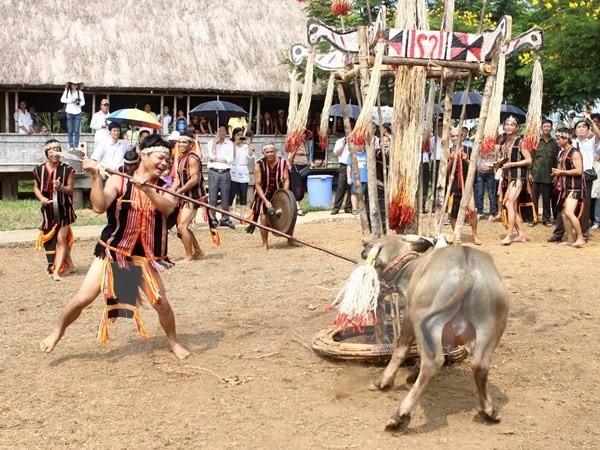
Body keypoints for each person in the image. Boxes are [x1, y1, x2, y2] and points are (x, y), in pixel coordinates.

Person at [40, 134, 190, 360]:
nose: (165, 163)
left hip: (143, 255)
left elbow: (168, 208)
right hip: (114, 251)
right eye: (161, 157)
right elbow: (99, 207)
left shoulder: (165, 186)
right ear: (143, 155)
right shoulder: (119, 180)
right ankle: (57, 330)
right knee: (83, 298)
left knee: (161, 302)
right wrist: (95, 176)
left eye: (168, 160)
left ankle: (173, 341)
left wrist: (148, 189)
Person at [548, 116, 600, 242]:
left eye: (584, 127)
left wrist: (590, 121)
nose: (581, 129)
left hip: (585, 177)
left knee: (585, 207)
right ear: (574, 131)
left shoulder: (591, 142)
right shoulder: (570, 144)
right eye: (578, 127)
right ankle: (559, 233)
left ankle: (584, 234)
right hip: (568, 178)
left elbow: (599, 134)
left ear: (588, 130)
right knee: (563, 207)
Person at [33, 139, 77, 281]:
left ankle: (56, 271)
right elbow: (35, 187)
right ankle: (70, 265)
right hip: (48, 210)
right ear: (47, 152)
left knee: (61, 240)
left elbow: (70, 190)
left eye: (58, 150)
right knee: (54, 239)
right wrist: (41, 198)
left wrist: (60, 187)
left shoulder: (68, 170)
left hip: (64, 209)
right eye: (52, 151)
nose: (55, 154)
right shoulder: (39, 170)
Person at [247, 143, 291, 250]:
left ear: (275, 151)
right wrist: (265, 201)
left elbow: (286, 179)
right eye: (267, 152)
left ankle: (290, 239)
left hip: (278, 192)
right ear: (263, 153)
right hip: (263, 193)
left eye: (272, 151)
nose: (270, 154)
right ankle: (265, 243)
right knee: (264, 218)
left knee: (289, 215)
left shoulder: (282, 162)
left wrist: (284, 194)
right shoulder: (258, 165)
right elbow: (257, 184)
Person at [498, 116, 533, 245]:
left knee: (508, 204)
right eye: (507, 124)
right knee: (511, 205)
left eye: (512, 125)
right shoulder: (503, 142)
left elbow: (529, 160)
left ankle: (509, 235)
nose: (509, 127)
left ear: (517, 128)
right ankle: (521, 235)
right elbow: (502, 158)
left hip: (518, 178)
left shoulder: (521, 142)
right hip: (507, 178)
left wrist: (512, 164)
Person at [172, 132, 206, 262]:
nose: (181, 144)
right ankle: (198, 250)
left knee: (182, 226)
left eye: (184, 142)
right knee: (182, 226)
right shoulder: (181, 158)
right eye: (179, 142)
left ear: (191, 144)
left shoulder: (192, 158)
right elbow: (178, 179)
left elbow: (195, 179)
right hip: (185, 196)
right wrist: (170, 191)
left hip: (194, 197)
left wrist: (179, 192)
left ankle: (188, 256)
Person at [552, 128, 585, 247]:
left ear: (566, 138)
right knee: (563, 214)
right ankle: (570, 239)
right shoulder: (562, 152)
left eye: (559, 138)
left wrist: (561, 172)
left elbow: (579, 171)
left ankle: (580, 237)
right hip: (566, 187)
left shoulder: (574, 153)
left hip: (574, 187)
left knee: (569, 212)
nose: (557, 140)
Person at [448, 129, 481, 245]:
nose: (455, 138)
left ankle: (474, 234)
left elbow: (475, 168)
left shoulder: (469, 149)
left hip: (466, 185)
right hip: (453, 185)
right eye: (453, 136)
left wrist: (466, 160)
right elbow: (445, 172)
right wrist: (451, 161)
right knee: (454, 212)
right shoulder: (447, 151)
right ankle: (456, 235)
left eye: (458, 135)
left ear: (463, 137)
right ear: (450, 138)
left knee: (472, 210)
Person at [530, 119, 559, 227]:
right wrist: (529, 172)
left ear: (551, 128)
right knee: (534, 198)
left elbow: (557, 160)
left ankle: (546, 219)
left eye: (548, 126)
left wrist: (556, 174)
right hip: (536, 174)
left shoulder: (555, 143)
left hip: (548, 175)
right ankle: (534, 218)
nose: (546, 128)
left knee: (547, 199)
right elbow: (531, 158)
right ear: (541, 128)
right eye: (544, 126)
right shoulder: (536, 141)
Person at [207, 125, 235, 228]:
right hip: (214, 172)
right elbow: (211, 156)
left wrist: (215, 160)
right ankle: (212, 218)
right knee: (212, 196)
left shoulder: (230, 144)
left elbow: (229, 159)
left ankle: (225, 218)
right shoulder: (210, 143)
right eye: (220, 131)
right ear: (216, 132)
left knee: (225, 196)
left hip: (225, 171)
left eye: (224, 130)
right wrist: (215, 142)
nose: (222, 132)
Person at [229, 128, 255, 220]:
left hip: (243, 170)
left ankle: (242, 216)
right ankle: (228, 215)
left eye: (241, 135)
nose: (239, 137)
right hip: (233, 169)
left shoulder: (246, 146)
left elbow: (250, 156)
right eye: (237, 135)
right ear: (234, 136)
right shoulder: (231, 145)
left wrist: (248, 144)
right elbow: (231, 157)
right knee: (231, 193)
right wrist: (235, 144)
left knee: (243, 194)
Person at [475, 125, 499, 221]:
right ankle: (479, 212)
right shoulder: (480, 146)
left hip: (490, 173)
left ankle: (492, 213)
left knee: (491, 194)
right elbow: (474, 138)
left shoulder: (496, 147)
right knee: (479, 193)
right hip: (480, 172)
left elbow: (499, 158)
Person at [288, 129, 311, 216]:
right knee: (297, 187)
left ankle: (298, 206)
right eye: (301, 133)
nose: (303, 135)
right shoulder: (295, 144)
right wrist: (290, 166)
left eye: (304, 133)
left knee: (302, 187)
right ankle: (297, 208)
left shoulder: (305, 143)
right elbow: (290, 157)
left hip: (304, 166)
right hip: (296, 166)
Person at [60, 80, 86, 150]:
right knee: (70, 130)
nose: (74, 85)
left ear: (77, 85)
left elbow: (83, 102)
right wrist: (71, 101)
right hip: (69, 112)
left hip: (78, 112)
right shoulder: (67, 92)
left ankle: (76, 145)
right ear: (70, 85)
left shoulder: (80, 93)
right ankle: (71, 145)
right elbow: (62, 100)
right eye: (73, 84)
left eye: (76, 84)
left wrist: (78, 103)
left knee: (77, 130)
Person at [331, 136, 353, 214]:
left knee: (352, 187)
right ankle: (336, 207)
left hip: (354, 165)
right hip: (344, 165)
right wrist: (344, 145)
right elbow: (336, 153)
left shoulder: (356, 139)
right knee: (341, 187)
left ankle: (348, 207)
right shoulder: (339, 141)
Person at [346, 143, 368, 215]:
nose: (359, 146)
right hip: (354, 178)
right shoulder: (352, 155)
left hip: (364, 178)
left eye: (361, 144)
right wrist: (348, 177)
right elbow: (349, 166)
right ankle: (354, 208)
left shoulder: (366, 155)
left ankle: (362, 208)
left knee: (363, 193)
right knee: (354, 193)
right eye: (357, 144)